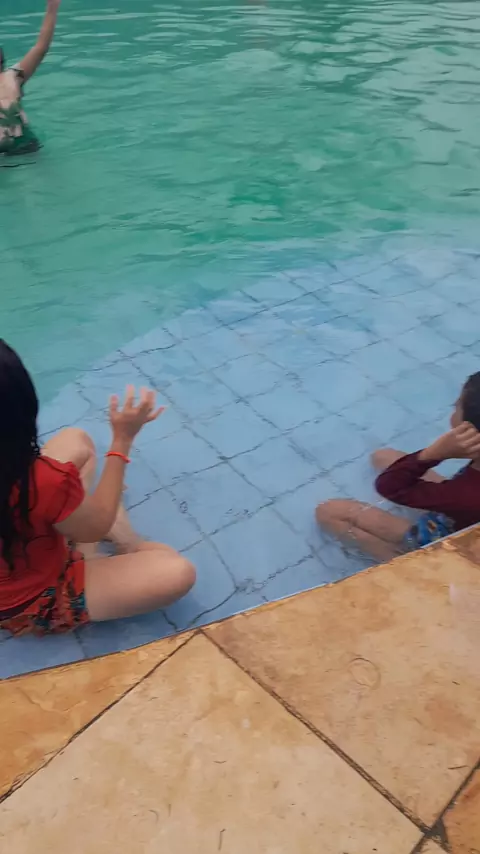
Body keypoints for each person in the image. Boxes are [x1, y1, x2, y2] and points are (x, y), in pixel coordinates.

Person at [0, 340, 195, 637]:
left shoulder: (40, 481)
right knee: (176, 571)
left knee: (75, 441)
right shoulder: (39, 481)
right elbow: (95, 526)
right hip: (28, 601)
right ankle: (122, 541)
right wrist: (122, 439)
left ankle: (85, 542)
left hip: (19, 549)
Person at [316, 372, 480, 563]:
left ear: (470, 433)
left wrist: (433, 454)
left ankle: (399, 559)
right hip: (462, 513)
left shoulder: (463, 496)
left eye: (457, 406)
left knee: (329, 512)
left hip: (440, 536)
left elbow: (389, 487)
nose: (453, 409)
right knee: (384, 457)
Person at [0, 0, 62, 156]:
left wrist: (52, 9)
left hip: (25, 147)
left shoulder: (13, 77)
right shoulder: (13, 77)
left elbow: (41, 47)